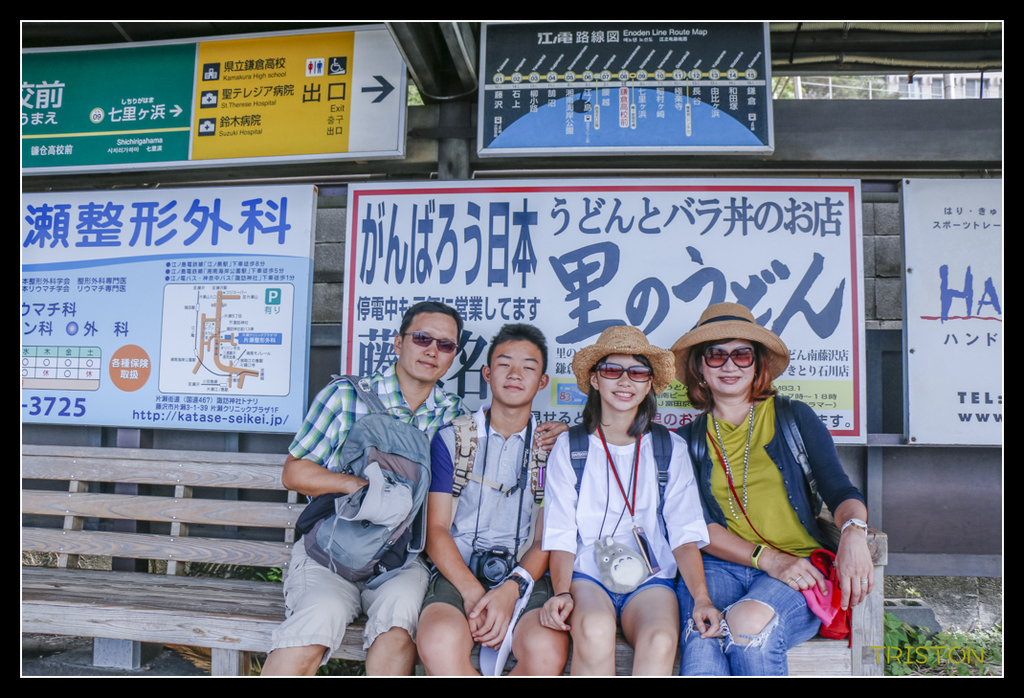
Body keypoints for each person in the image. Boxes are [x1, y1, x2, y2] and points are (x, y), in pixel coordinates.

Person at [669, 302, 874, 676]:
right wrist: (768, 559)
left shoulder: (793, 416)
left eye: (741, 354)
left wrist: (854, 532)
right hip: (719, 567)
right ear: (699, 367)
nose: (729, 365)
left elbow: (840, 491)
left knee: (748, 627)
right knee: (701, 649)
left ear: (757, 363)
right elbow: (695, 526)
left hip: (800, 565)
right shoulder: (687, 441)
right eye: (716, 355)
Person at [540, 326, 721, 676]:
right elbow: (560, 530)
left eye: (638, 372)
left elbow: (684, 531)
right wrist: (561, 592)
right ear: (595, 380)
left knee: (660, 640)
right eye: (612, 371)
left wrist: (701, 598)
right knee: (594, 629)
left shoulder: (670, 448)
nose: (625, 381)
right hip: (588, 575)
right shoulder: (571, 447)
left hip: (652, 578)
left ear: (649, 383)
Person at [417, 323, 570, 676]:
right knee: (439, 641)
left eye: (529, 367)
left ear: (542, 381)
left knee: (545, 651)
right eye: (504, 364)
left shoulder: (555, 446)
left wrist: (510, 590)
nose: (515, 375)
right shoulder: (453, 438)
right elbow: (436, 528)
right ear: (487, 373)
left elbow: (548, 536)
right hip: (458, 573)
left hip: (528, 574)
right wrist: (472, 591)